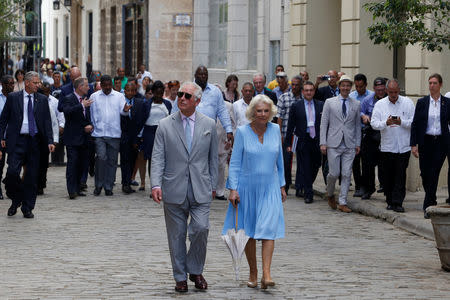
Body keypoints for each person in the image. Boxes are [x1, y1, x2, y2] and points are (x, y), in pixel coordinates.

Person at [151, 82, 218, 293]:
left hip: (201, 187)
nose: (182, 98)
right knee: (177, 235)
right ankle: (180, 277)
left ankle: (195, 269)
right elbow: (158, 157)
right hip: (173, 187)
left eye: (187, 96)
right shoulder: (165, 125)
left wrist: (214, 185)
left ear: (197, 101)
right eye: (180, 94)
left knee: (201, 228)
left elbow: (213, 158)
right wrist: (155, 184)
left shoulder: (209, 125)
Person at [223, 94, 286, 289]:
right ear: (252, 112)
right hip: (246, 188)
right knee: (248, 231)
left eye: (266, 111)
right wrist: (233, 189)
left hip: (270, 187)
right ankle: (253, 272)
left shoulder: (275, 130)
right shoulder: (242, 132)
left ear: (271, 112)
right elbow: (234, 163)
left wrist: (282, 185)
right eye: (259, 111)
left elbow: (280, 161)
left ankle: (267, 274)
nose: (263, 114)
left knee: (269, 230)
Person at [0, 71, 55, 218]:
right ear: (27, 83)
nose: (39, 85)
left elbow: (47, 122)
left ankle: (27, 207)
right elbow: (3, 119)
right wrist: (1, 137)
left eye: (39, 83)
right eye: (36, 83)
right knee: (12, 173)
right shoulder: (13, 98)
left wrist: (50, 141)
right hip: (17, 141)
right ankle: (16, 199)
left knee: (31, 177)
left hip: (35, 142)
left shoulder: (42, 99)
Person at [371, 79, 415, 213]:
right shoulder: (380, 104)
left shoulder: (408, 103)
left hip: (403, 146)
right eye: (390, 92)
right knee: (388, 176)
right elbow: (374, 123)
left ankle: (398, 202)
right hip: (387, 146)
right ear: (386, 91)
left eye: (395, 92)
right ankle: (390, 200)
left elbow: (414, 122)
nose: (393, 95)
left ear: (399, 90)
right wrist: (386, 123)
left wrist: (402, 122)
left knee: (400, 175)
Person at [320, 75, 361, 213]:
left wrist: (358, 143)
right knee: (334, 173)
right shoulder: (330, 102)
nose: (345, 88)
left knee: (346, 173)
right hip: (333, 142)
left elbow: (357, 126)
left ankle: (343, 202)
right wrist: (323, 143)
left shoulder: (356, 104)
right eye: (343, 85)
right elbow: (324, 123)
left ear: (351, 87)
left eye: (348, 86)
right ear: (339, 87)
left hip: (349, 143)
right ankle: (330, 193)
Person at [411, 74, 450, 218]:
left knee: (434, 173)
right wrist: (413, 144)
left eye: (434, 83)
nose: (432, 86)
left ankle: (428, 206)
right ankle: (431, 198)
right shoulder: (422, 102)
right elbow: (415, 124)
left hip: (441, 142)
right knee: (425, 173)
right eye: (430, 83)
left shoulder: (447, 102)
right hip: (425, 141)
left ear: (440, 85)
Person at [89, 75, 132, 196]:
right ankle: (98, 185)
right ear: (101, 85)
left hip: (114, 133)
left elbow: (123, 112)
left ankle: (108, 186)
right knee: (101, 158)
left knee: (112, 161)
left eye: (109, 85)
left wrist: (126, 110)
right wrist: (92, 125)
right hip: (99, 133)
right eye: (105, 85)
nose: (107, 87)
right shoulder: (94, 96)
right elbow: (91, 113)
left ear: (112, 85)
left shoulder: (119, 96)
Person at [172, 66, 233, 143]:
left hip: (209, 132)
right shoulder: (186, 89)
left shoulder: (215, 91)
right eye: (201, 74)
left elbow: (222, 111)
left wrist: (229, 130)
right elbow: (175, 110)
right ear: (195, 75)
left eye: (205, 74)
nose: (203, 76)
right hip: (188, 132)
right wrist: (172, 129)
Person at [285, 81, 323, 203]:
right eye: (306, 90)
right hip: (303, 140)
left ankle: (303, 184)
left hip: (316, 139)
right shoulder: (296, 106)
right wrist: (288, 144)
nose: (309, 92)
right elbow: (290, 126)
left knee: (316, 165)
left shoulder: (320, 105)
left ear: (314, 91)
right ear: (303, 92)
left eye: (311, 90)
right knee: (305, 166)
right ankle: (308, 193)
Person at [58, 77, 93, 199]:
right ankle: (71, 190)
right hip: (72, 138)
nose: (89, 88)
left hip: (84, 138)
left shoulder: (85, 100)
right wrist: (81, 105)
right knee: (72, 165)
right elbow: (67, 112)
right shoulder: (69, 98)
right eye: (87, 86)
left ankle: (78, 188)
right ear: (80, 87)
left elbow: (86, 118)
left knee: (82, 165)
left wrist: (90, 126)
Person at [359, 77, 387, 199]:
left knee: (385, 164)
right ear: (374, 88)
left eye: (382, 89)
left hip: (386, 132)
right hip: (371, 133)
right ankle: (368, 188)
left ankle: (386, 187)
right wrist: (364, 116)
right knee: (367, 164)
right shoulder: (368, 100)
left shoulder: (389, 98)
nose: (380, 92)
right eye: (378, 89)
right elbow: (360, 111)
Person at [276, 75, 303, 195]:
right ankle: (285, 185)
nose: (295, 87)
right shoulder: (284, 97)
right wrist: (280, 134)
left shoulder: (304, 99)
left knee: (302, 162)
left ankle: (299, 186)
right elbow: (279, 117)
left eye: (297, 84)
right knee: (286, 162)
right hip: (287, 135)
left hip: (301, 135)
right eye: (293, 84)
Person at [119, 81, 148, 194]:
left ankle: (129, 180)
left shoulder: (140, 103)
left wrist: (138, 137)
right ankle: (125, 184)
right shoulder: (120, 101)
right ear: (124, 91)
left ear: (135, 91)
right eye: (128, 90)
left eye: (132, 90)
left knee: (133, 160)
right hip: (123, 135)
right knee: (124, 160)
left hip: (135, 136)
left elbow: (142, 119)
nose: (130, 92)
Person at [349, 73, 374, 197]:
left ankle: (365, 186)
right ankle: (358, 186)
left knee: (366, 161)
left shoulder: (371, 96)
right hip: (354, 131)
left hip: (367, 132)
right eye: (357, 86)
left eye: (361, 87)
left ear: (366, 85)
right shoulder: (351, 96)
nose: (359, 89)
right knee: (355, 161)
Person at [37, 82, 65, 195]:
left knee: (43, 163)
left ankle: (41, 183)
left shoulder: (48, 106)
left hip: (44, 139)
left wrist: (55, 139)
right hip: (32, 139)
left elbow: (53, 123)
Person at [0, 75, 15, 199]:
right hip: (1, 137)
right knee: (0, 164)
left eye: (13, 83)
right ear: (3, 85)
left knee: (13, 165)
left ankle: (9, 186)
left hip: (12, 138)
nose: (12, 86)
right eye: (9, 84)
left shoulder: (15, 98)